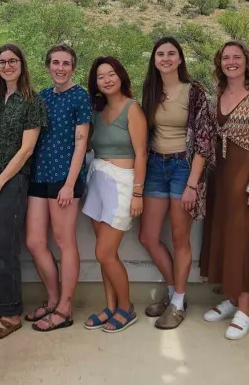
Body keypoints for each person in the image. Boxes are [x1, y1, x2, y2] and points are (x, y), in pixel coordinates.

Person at [138, 37, 215, 330]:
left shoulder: (194, 92)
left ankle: (179, 303)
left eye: (172, 54)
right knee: (148, 236)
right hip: (156, 166)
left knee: (180, 238)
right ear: (154, 60)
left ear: (180, 59)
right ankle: (173, 293)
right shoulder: (150, 90)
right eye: (161, 54)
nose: (166, 58)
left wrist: (193, 184)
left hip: (185, 167)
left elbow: (205, 139)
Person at [199, 41, 249, 340]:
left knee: (242, 240)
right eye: (226, 58)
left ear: (246, 62)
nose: (232, 62)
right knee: (223, 236)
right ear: (220, 63)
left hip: (245, 176)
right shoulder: (215, 96)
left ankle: (246, 309)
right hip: (219, 176)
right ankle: (231, 299)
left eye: (237, 57)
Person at [0, 44, 47, 340]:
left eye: (13, 61)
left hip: (12, 181)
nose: (7, 66)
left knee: (6, 247)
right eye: (2, 62)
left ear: (22, 64)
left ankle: (12, 312)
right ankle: (5, 303)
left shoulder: (32, 100)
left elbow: (27, 149)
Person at [25, 44, 90, 333]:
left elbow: (81, 143)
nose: (60, 68)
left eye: (66, 63)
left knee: (65, 243)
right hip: (39, 175)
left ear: (73, 68)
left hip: (65, 178)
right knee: (35, 242)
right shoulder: (42, 97)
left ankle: (65, 307)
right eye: (55, 63)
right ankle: (52, 298)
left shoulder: (81, 97)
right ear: (48, 66)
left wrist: (69, 184)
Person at [81, 56, 146, 333]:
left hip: (122, 184)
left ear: (120, 76)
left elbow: (142, 153)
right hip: (97, 182)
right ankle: (110, 307)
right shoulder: (96, 111)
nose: (106, 80)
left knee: (105, 252)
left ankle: (126, 307)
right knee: (102, 254)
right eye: (100, 77)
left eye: (111, 74)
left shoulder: (132, 109)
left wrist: (138, 193)